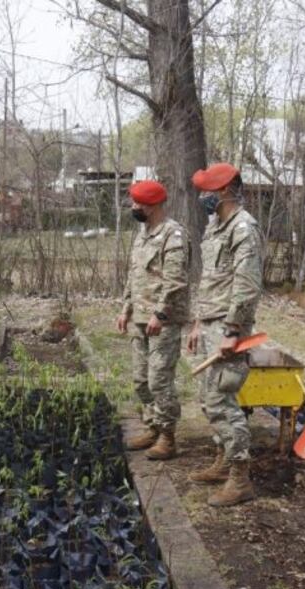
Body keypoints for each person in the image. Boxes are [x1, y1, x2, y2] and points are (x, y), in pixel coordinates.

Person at [186, 163, 264, 507]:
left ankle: (240, 476)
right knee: (208, 399)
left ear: (222, 191)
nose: (201, 197)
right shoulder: (215, 225)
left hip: (228, 326)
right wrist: (198, 323)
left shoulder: (244, 228)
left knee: (222, 400)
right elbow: (211, 281)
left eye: (206, 191)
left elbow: (246, 285)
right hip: (211, 322)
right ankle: (222, 459)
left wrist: (233, 331)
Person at [116, 180, 191, 460]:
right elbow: (133, 275)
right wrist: (125, 308)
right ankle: (152, 425)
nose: (134, 207)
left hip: (163, 320)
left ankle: (168, 437)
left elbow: (176, 280)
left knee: (159, 380)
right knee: (140, 380)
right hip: (139, 315)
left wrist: (161, 313)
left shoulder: (173, 235)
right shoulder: (143, 233)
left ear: (154, 205)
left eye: (139, 203)